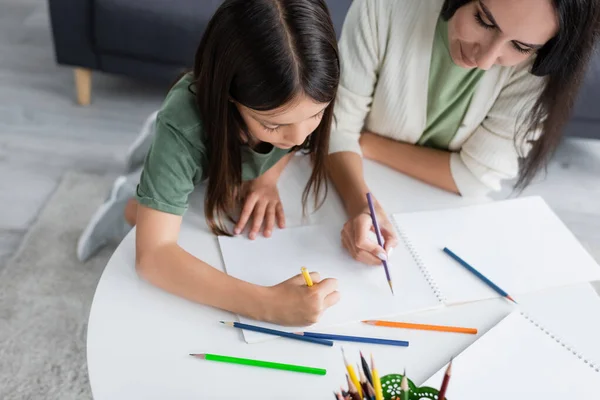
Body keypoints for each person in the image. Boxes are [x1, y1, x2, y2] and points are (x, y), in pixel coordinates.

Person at [77, 0, 341, 326]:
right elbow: (154, 255)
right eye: (273, 125)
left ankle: (153, 143)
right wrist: (267, 304)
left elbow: (294, 133)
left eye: (316, 114)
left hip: (209, 144)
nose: (300, 139)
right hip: (190, 137)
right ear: (228, 99)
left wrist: (266, 178)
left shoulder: (306, 89)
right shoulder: (187, 128)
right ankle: (121, 202)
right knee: (139, 212)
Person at [328, 0, 600, 265]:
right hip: (356, 183)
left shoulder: (540, 67)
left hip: (449, 220)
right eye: (483, 20)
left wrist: (367, 143)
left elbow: (474, 177)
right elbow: (337, 128)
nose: (484, 61)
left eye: (520, 46)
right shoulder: (384, 7)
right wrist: (360, 206)